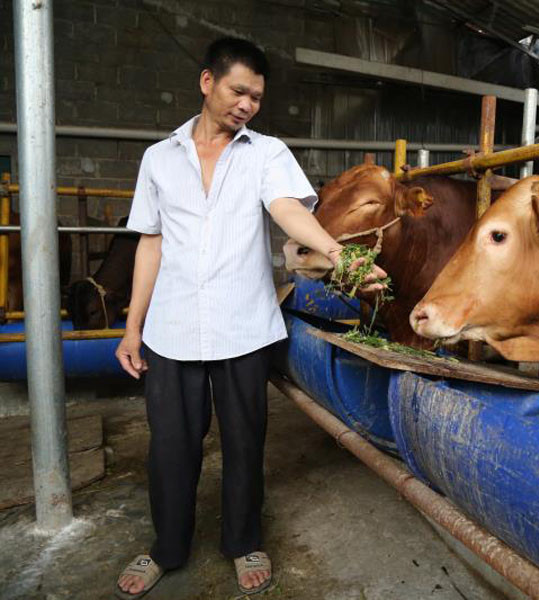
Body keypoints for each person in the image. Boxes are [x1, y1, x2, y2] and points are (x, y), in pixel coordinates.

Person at [113, 37, 385, 598]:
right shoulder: (159, 158)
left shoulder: (266, 153)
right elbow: (151, 245)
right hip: (171, 329)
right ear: (208, 82)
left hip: (243, 326)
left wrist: (343, 258)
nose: (247, 105)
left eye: (257, 98)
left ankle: (242, 541)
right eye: (239, 91)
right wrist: (133, 327)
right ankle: (167, 547)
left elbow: (286, 210)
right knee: (170, 447)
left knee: (244, 442)